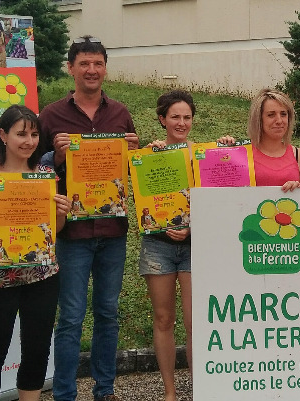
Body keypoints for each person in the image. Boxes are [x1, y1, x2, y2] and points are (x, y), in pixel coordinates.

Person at [38, 36, 140, 401]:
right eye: (84, 64)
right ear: (71, 68)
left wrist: (135, 154)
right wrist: (57, 158)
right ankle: (65, 394)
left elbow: (134, 173)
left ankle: (105, 390)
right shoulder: (51, 116)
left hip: (113, 230)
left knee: (108, 313)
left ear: (105, 68)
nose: (92, 70)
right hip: (72, 234)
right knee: (70, 317)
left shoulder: (120, 114)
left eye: (98, 63)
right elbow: (34, 173)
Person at [0, 105, 70, 401]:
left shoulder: (45, 175)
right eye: (21, 134)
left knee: (37, 351)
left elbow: (54, 230)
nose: (29, 141)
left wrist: (61, 213)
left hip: (41, 275)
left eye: (34, 134)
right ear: (3, 135)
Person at [140, 90, 196, 401]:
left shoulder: (202, 154)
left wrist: (226, 147)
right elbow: (143, 199)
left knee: (194, 322)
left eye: (187, 117)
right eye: (175, 116)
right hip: (158, 245)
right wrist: (148, 157)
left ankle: (200, 389)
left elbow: (217, 195)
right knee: (163, 319)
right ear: (162, 119)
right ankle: (170, 392)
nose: (181, 122)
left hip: (195, 246)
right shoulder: (151, 154)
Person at [218, 88, 300, 191]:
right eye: (271, 115)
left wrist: (296, 190)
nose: (279, 121)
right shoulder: (241, 153)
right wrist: (220, 151)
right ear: (258, 119)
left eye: (283, 114)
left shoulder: (299, 156)